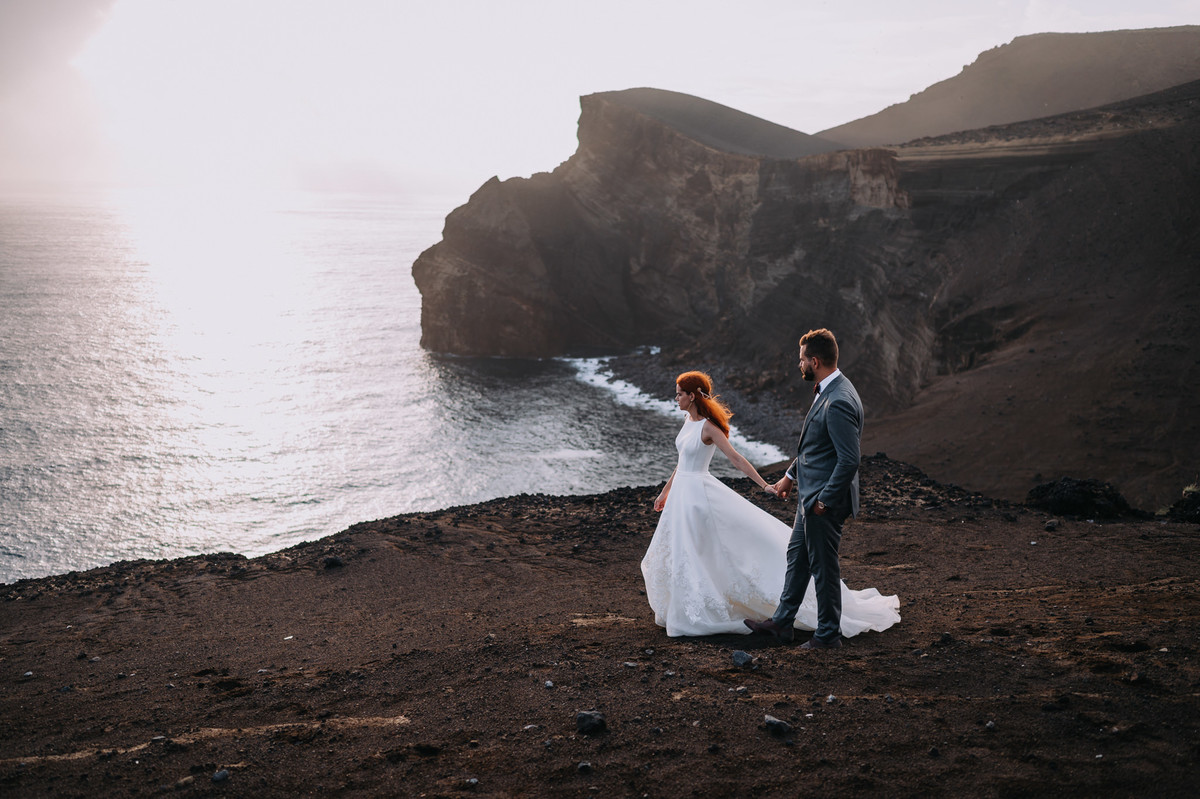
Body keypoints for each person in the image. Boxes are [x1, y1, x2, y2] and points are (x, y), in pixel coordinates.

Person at [640, 369, 899, 639]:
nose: (676, 398)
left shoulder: (708, 427)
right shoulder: (686, 421)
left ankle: (720, 611)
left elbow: (737, 459)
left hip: (697, 498)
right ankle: (685, 607)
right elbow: (681, 461)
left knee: (700, 551)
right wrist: (665, 491)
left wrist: (764, 485)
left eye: (679, 394)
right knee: (683, 552)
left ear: (692, 396)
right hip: (681, 494)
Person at [745, 328, 873, 649]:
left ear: (814, 361)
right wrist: (790, 475)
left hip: (823, 501)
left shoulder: (839, 400)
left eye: (801, 360)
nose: (798, 365)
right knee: (798, 556)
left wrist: (824, 502)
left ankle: (828, 635)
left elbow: (849, 460)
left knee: (823, 567)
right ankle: (782, 623)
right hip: (810, 496)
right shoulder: (828, 389)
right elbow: (814, 447)